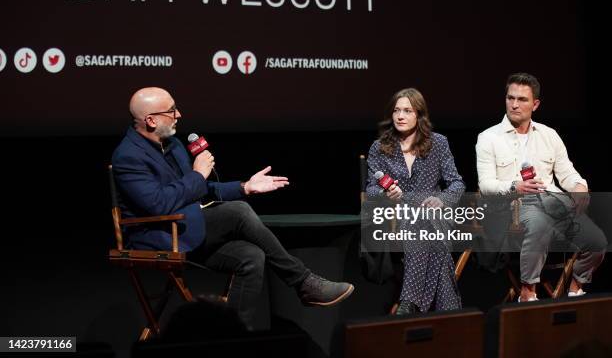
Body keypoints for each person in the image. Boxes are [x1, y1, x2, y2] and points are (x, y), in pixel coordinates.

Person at [112, 87, 354, 325]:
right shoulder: (128, 156)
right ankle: (304, 282)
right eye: (172, 110)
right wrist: (197, 175)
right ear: (151, 120)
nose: (179, 115)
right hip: (160, 234)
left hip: (187, 226)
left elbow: (201, 190)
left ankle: (234, 334)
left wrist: (245, 187)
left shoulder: (172, 145)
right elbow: (158, 204)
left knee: (251, 256)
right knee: (238, 211)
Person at [476, 73, 607, 302]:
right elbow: (486, 185)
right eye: (510, 98)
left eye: (522, 99)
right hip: (514, 206)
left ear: (535, 104)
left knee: (597, 241)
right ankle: (528, 293)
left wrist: (579, 186)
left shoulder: (549, 135)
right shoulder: (488, 138)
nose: (515, 104)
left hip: (553, 202)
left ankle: (575, 289)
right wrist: (515, 185)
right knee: (539, 223)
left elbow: (567, 172)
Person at [366, 88, 465, 314]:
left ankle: (409, 304)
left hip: (435, 215)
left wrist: (441, 199)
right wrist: (385, 195)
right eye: (396, 111)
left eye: (407, 111)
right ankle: (449, 314)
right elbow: (371, 189)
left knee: (424, 220)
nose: (400, 116)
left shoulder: (438, 143)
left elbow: (457, 184)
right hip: (397, 217)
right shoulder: (380, 148)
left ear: (419, 115)